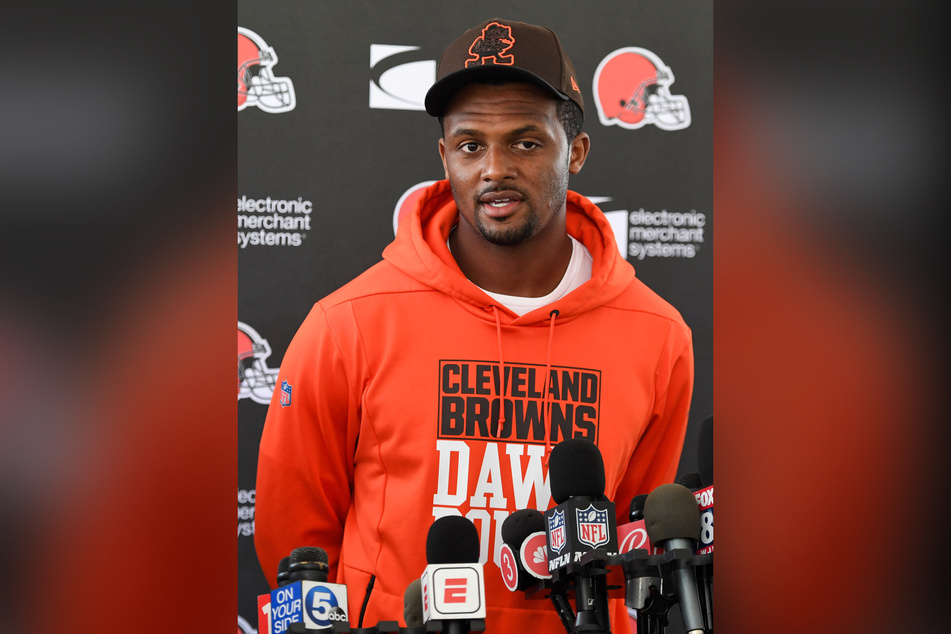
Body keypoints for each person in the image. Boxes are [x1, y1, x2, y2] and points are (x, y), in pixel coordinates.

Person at [255, 17, 694, 633]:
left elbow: (635, 548)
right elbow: (295, 542)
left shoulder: (657, 335)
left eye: (526, 142)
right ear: (444, 156)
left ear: (577, 150)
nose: (494, 169)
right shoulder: (348, 323)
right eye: (470, 145)